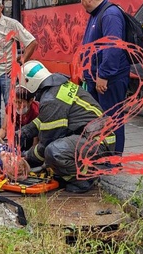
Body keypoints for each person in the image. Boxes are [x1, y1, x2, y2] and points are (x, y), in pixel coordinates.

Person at [19, 60, 115, 193]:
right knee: (54, 152)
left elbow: (46, 143)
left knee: (54, 151)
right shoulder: (56, 90)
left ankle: (83, 180)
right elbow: (43, 120)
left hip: (97, 142)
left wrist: (26, 157)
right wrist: (23, 133)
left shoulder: (51, 99)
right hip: (95, 138)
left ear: (30, 83)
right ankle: (75, 171)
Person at [79, 0, 130, 154]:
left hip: (109, 79)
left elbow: (113, 46)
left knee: (112, 118)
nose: (81, 3)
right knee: (100, 119)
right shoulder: (96, 15)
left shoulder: (110, 14)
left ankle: (113, 158)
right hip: (96, 77)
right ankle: (102, 155)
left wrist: (104, 75)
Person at [0, 0, 38, 134]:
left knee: (11, 106)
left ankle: (13, 136)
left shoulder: (11, 24)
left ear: (1, 8)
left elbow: (32, 42)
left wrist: (22, 61)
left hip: (7, 73)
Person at [0, 85, 39, 151]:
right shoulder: (11, 107)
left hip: (33, 135)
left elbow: (35, 140)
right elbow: (4, 129)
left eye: (20, 102)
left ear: (30, 101)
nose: (17, 106)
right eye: (15, 101)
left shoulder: (36, 111)